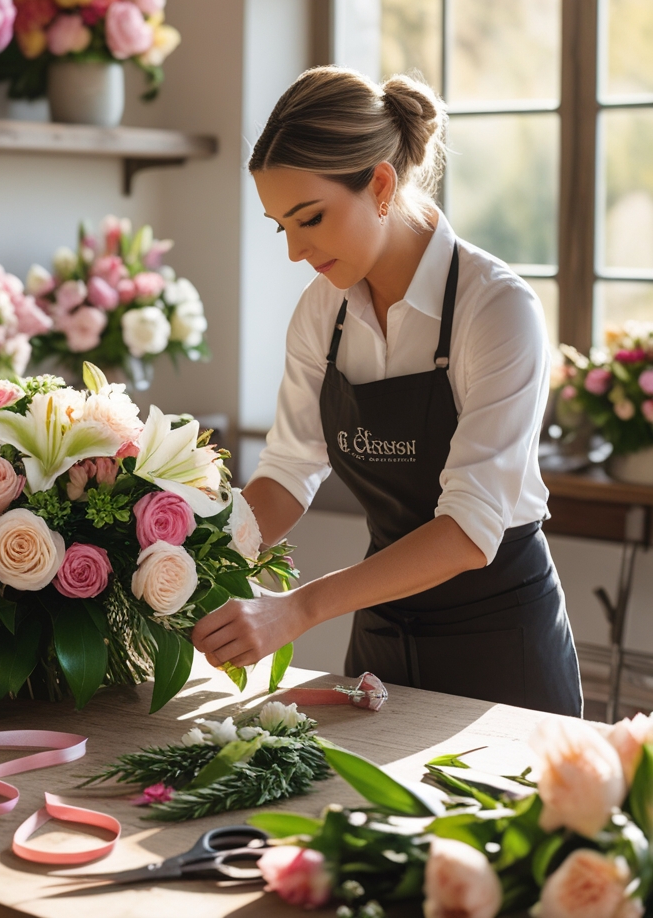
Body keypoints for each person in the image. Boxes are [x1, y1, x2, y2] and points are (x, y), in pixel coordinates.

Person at [192, 65, 581, 716]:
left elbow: (466, 531)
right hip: (378, 633)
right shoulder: (324, 312)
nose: (294, 251)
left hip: (498, 640)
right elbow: (289, 473)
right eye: (280, 225)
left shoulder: (497, 309)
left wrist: (296, 610)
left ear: (379, 184)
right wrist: (183, 563)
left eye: (309, 218)